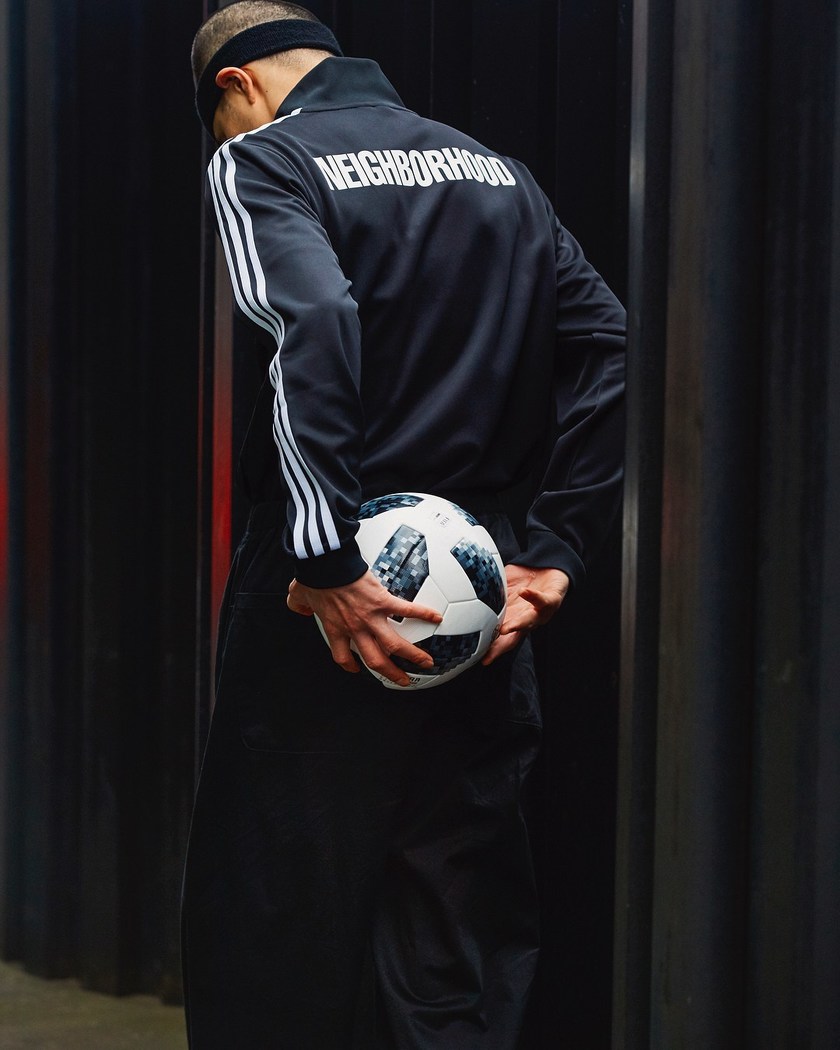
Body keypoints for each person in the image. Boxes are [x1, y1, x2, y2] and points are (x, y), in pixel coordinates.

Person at [182, 3, 626, 1048]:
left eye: (219, 122)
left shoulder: (264, 160)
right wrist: (557, 549)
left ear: (236, 84)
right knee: (454, 910)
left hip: (330, 593)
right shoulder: (498, 172)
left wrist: (325, 551)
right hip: (477, 586)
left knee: (276, 907)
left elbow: (313, 318)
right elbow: (607, 339)